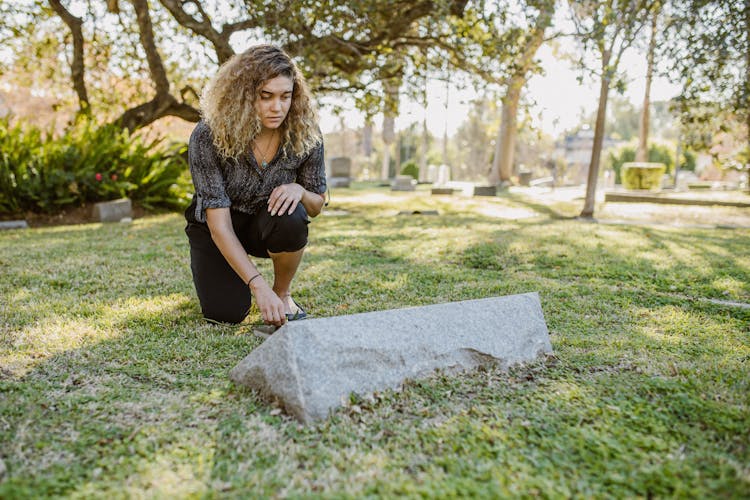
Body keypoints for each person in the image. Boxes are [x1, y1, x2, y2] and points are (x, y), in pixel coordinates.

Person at [184, 44, 326, 327]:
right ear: (244, 96)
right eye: (266, 96)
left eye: (285, 96)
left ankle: (283, 293)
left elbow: (317, 204)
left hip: (266, 224)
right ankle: (242, 285)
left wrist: (300, 191)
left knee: (292, 215)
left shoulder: (306, 134)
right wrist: (257, 285)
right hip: (219, 229)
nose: (277, 107)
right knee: (225, 315)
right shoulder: (208, 135)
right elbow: (219, 226)